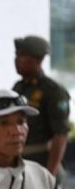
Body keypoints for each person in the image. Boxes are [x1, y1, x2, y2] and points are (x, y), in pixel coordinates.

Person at [12, 35, 71, 177]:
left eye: (22, 56)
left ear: (38, 60)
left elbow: (60, 135)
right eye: (16, 56)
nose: (16, 60)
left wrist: (49, 175)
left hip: (41, 163)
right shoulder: (18, 87)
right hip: (18, 162)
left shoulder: (53, 91)